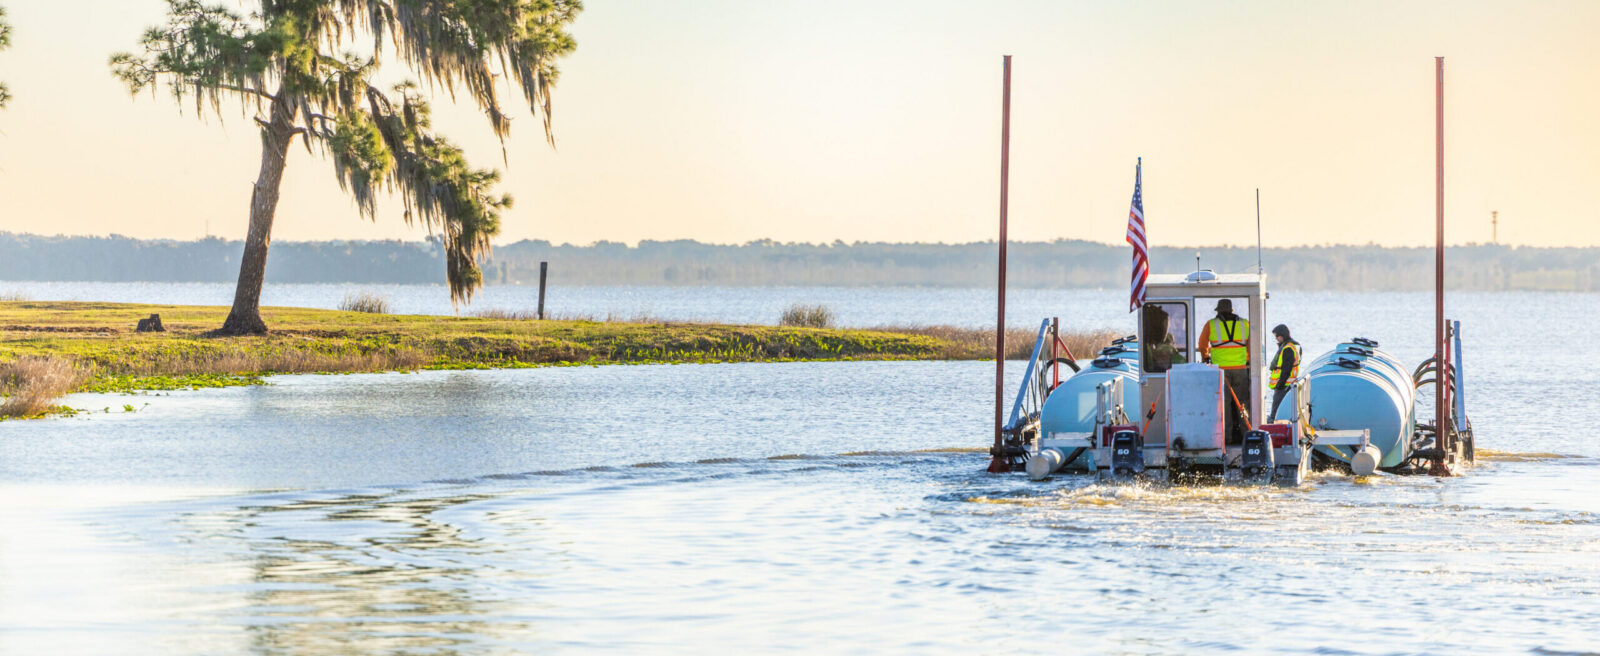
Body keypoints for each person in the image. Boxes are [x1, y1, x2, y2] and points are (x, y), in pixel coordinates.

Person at [1197, 299, 1250, 443]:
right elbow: (1251, 344)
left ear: (1218, 311)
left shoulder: (1211, 324)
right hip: (1241, 369)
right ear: (1232, 310)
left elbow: (1202, 345)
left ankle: (1226, 439)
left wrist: (1206, 357)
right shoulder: (1245, 324)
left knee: (1223, 405)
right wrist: (1246, 359)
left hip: (1220, 372)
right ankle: (1246, 436)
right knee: (1242, 404)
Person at [1268, 324, 1301, 421]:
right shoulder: (1290, 347)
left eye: (1276, 336)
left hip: (1283, 385)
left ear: (1281, 336)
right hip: (1286, 385)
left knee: (1276, 410)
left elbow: (1286, 370)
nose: (1276, 339)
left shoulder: (1287, 349)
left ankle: (1274, 426)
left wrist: (1279, 384)